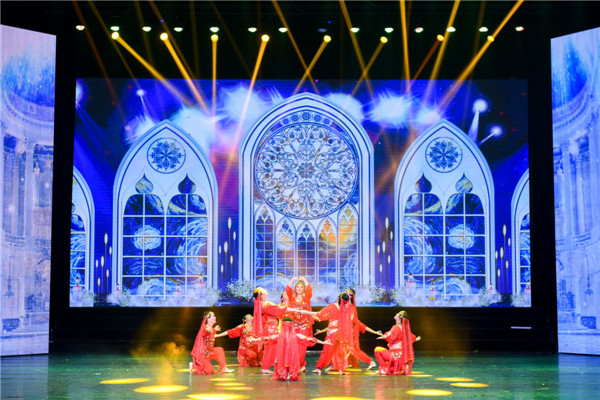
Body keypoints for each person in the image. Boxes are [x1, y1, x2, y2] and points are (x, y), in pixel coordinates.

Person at [292, 292, 354, 375]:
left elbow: (319, 314)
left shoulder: (332, 306)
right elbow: (326, 317)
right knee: (339, 351)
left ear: (338, 298)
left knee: (327, 350)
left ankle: (319, 368)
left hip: (332, 333)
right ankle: (341, 369)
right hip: (341, 333)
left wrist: (305, 312)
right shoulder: (346, 309)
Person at [253, 287, 289, 374]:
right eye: (263, 290)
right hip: (270, 328)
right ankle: (265, 367)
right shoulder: (266, 304)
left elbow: (277, 310)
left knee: (271, 348)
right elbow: (278, 310)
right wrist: (286, 304)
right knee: (270, 348)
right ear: (261, 295)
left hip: (270, 326)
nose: (266, 290)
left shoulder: (263, 304)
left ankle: (268, 366)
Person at [374, 311, 421, 375]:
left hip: (395, 356)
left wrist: (384, 336)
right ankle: (394, 368)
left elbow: (389, 334)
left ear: (399, 318)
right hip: (402, 358)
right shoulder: (405, 329)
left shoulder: (396, 327)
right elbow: (410, 339)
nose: (396, 314)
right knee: (391, 368)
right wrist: (416, 339)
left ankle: (384, 369)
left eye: (397, 314)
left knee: (377, 350)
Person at [345, 288, 380, 370]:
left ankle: (370, 361)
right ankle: (349, 362)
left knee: (354, 350)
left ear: (351, 296)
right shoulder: (346, 306)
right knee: (346, 348)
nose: (346, 294)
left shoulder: (350, 306)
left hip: (351, 332)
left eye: (348, 293)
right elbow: (362, 325)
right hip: (348, 330)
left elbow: (352, 319)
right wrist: (375, 332)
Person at [285, 277, 314, 371]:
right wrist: (292, 280)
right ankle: (297, 364)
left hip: (304, 325)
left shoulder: (306, 298)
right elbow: (288, 290)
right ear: (295, 289)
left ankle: (301, 364)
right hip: (294, 325)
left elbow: (309, 288)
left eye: (302, 287)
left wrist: (304, 279)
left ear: (304, 289)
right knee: (294, 345)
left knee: (302, 346)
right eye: (298, 287)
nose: (300, 288)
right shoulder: (291, 298)